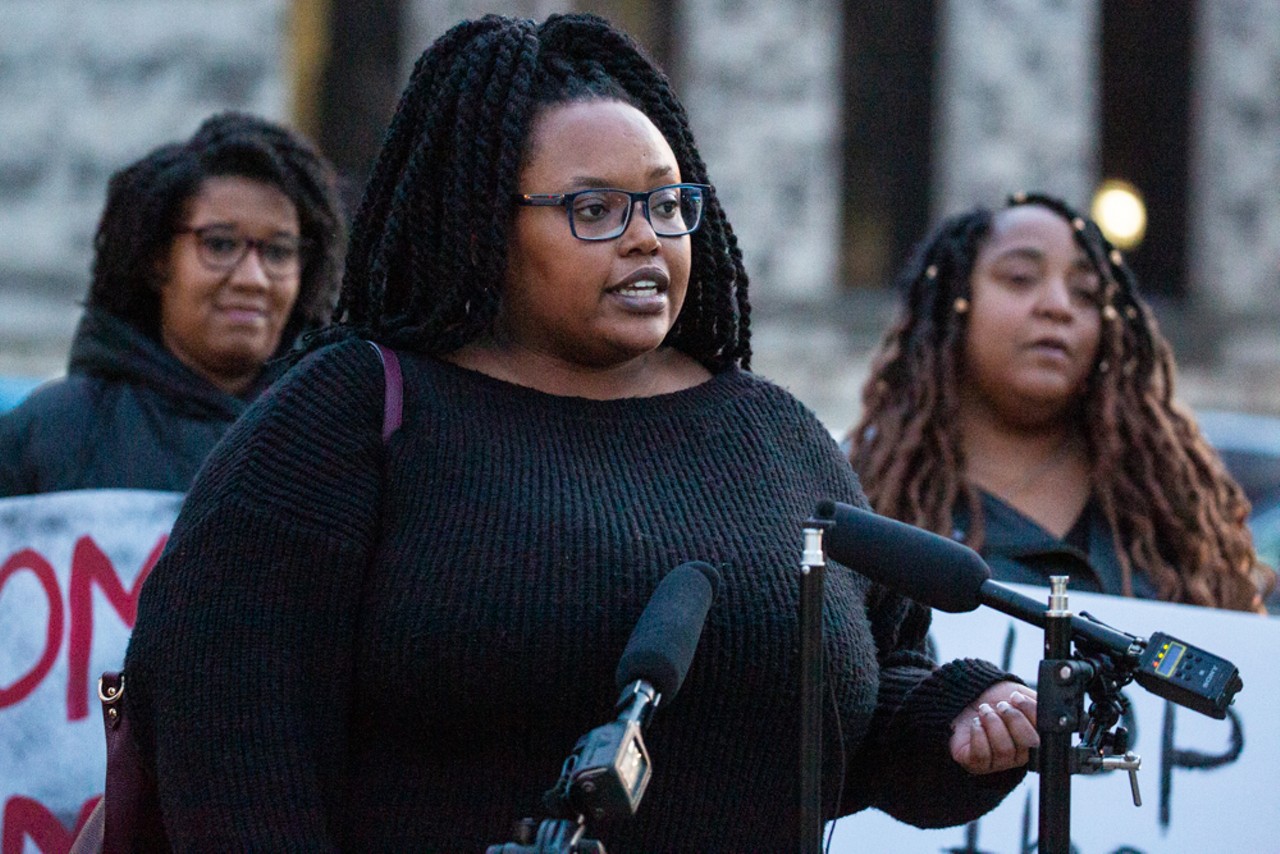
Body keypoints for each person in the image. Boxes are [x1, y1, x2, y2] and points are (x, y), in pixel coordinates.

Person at [123, 14, 1038, 852]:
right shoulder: (349, 415)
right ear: (482, 224)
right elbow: (229, 741)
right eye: (594, 210)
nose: (647, 240)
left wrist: (966, 725)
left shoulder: (774, 435)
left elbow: (874, 701)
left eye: (668, 203)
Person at [848, 192, 1274, 614]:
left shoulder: (1172, 507)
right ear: (951, 306)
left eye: (1086, 293)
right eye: (1019, 278)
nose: (1058, 306)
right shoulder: (872, 500)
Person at [0, 112, 345, 496]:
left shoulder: (344, 440)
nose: (254, 279)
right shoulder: (47, 437)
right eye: (220, 244)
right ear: (157, 259)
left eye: (279, 252)